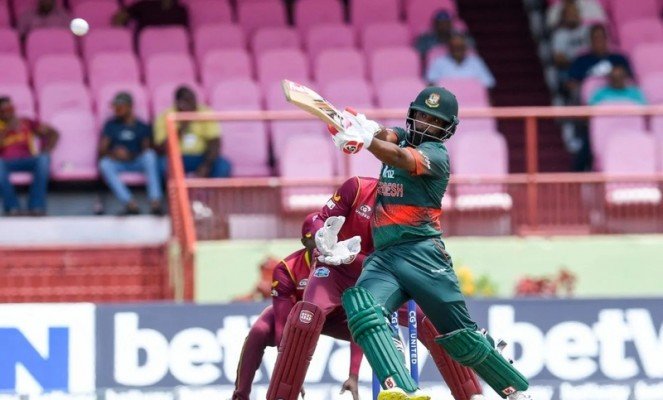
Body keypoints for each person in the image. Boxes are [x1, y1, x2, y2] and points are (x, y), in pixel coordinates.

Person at [329, 87, 531, 399]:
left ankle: (515, 390)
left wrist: (367, 142)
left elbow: (397, 156)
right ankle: (403, 390)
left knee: (462, 338)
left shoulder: (436, 155)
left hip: (423, 255)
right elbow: (386, 136)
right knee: (362, 309)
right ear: (412, 114)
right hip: (384, 257)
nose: (426, 123)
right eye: (422, 115)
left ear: (446, 129)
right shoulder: (401, 136)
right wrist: (360, 126)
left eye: (435, 121)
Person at [266, 176, 485, 400]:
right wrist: (325, 237)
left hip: (379, 277)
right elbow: (321, 219)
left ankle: (471, 395)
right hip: (334, 271)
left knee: (433, 321)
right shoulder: (357, 187)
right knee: (306, 317)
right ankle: (281, 395)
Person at [231, 213, 363, 400]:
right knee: (259, 330)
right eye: (317, 238)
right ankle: (240, 396)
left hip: (336, 317)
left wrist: (353, 375)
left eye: (327, 236)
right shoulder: (287, 269)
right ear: (305, 242)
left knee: (372, 326)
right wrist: (290, 373)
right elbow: (282, 324)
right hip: (297, 319)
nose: (323, 243)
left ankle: (395, 385)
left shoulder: (346, 262)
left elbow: (360, 316)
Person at [98, 92, 163, 215]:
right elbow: (101, 150)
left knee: (150, 156)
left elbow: (146, 149)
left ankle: (155, 202)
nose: (116, 109)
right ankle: (129, 204)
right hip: (118, 162)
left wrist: (130, 155)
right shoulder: (110, 125)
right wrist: (114, 154)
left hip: (136, 160)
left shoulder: (142, 126)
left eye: (120, 106)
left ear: (130, 107)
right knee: (104, 164)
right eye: (115, 106)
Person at [154, 86, 231, 178]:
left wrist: (206, 165)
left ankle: (209, 187)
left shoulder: (205, 112)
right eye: (188, 101)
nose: (194, 105)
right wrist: (183, 125)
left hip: (201, 157)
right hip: (176, 158)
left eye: (194, 101)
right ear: (178, 103)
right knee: (162, 165)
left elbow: (215, 142)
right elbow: (162, 148)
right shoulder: (165, 116)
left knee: (223, 165)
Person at [0, 96, 59, 216]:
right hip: (5, 162)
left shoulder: (26, 122)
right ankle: (12, 208)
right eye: (3, 110)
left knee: (43, 159)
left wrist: (47, 149)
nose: (7, 113)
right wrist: (7, 129)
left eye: (10, 109)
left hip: (27, 159)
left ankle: (36, 207)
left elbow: (54, 133)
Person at [566, 24, 632, 97]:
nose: (598, 40)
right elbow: (571, 84)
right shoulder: (580, 61)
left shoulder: (619, 59)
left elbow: (630, 81)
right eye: (595, 38)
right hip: (590, 99)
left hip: (617, 98)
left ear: (606, 39)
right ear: (590, 40)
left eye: (601, 37)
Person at [426, 34, 495, 88]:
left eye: (460, 47)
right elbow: (430, 83)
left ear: (465, 48)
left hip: (471, 98)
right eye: (454, 47)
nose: (457, 50)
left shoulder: (476, 61)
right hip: (446, 100)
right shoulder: (438, 62)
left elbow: (489, 83)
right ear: (449, 48)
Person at [551, 3, 589, 82]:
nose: (573, 16)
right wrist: (578, 64)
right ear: (564, 17)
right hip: (570, 68)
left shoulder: (587, 30)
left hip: (589, 64)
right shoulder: (559, 34)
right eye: (570, 14)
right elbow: (558, 59)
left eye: (574, 13)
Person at [112, 0, 188, 33]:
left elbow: (184, 33)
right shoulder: (143, 6)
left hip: (173, 52)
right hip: (147, 50)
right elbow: (119, 19)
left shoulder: (181, 10)